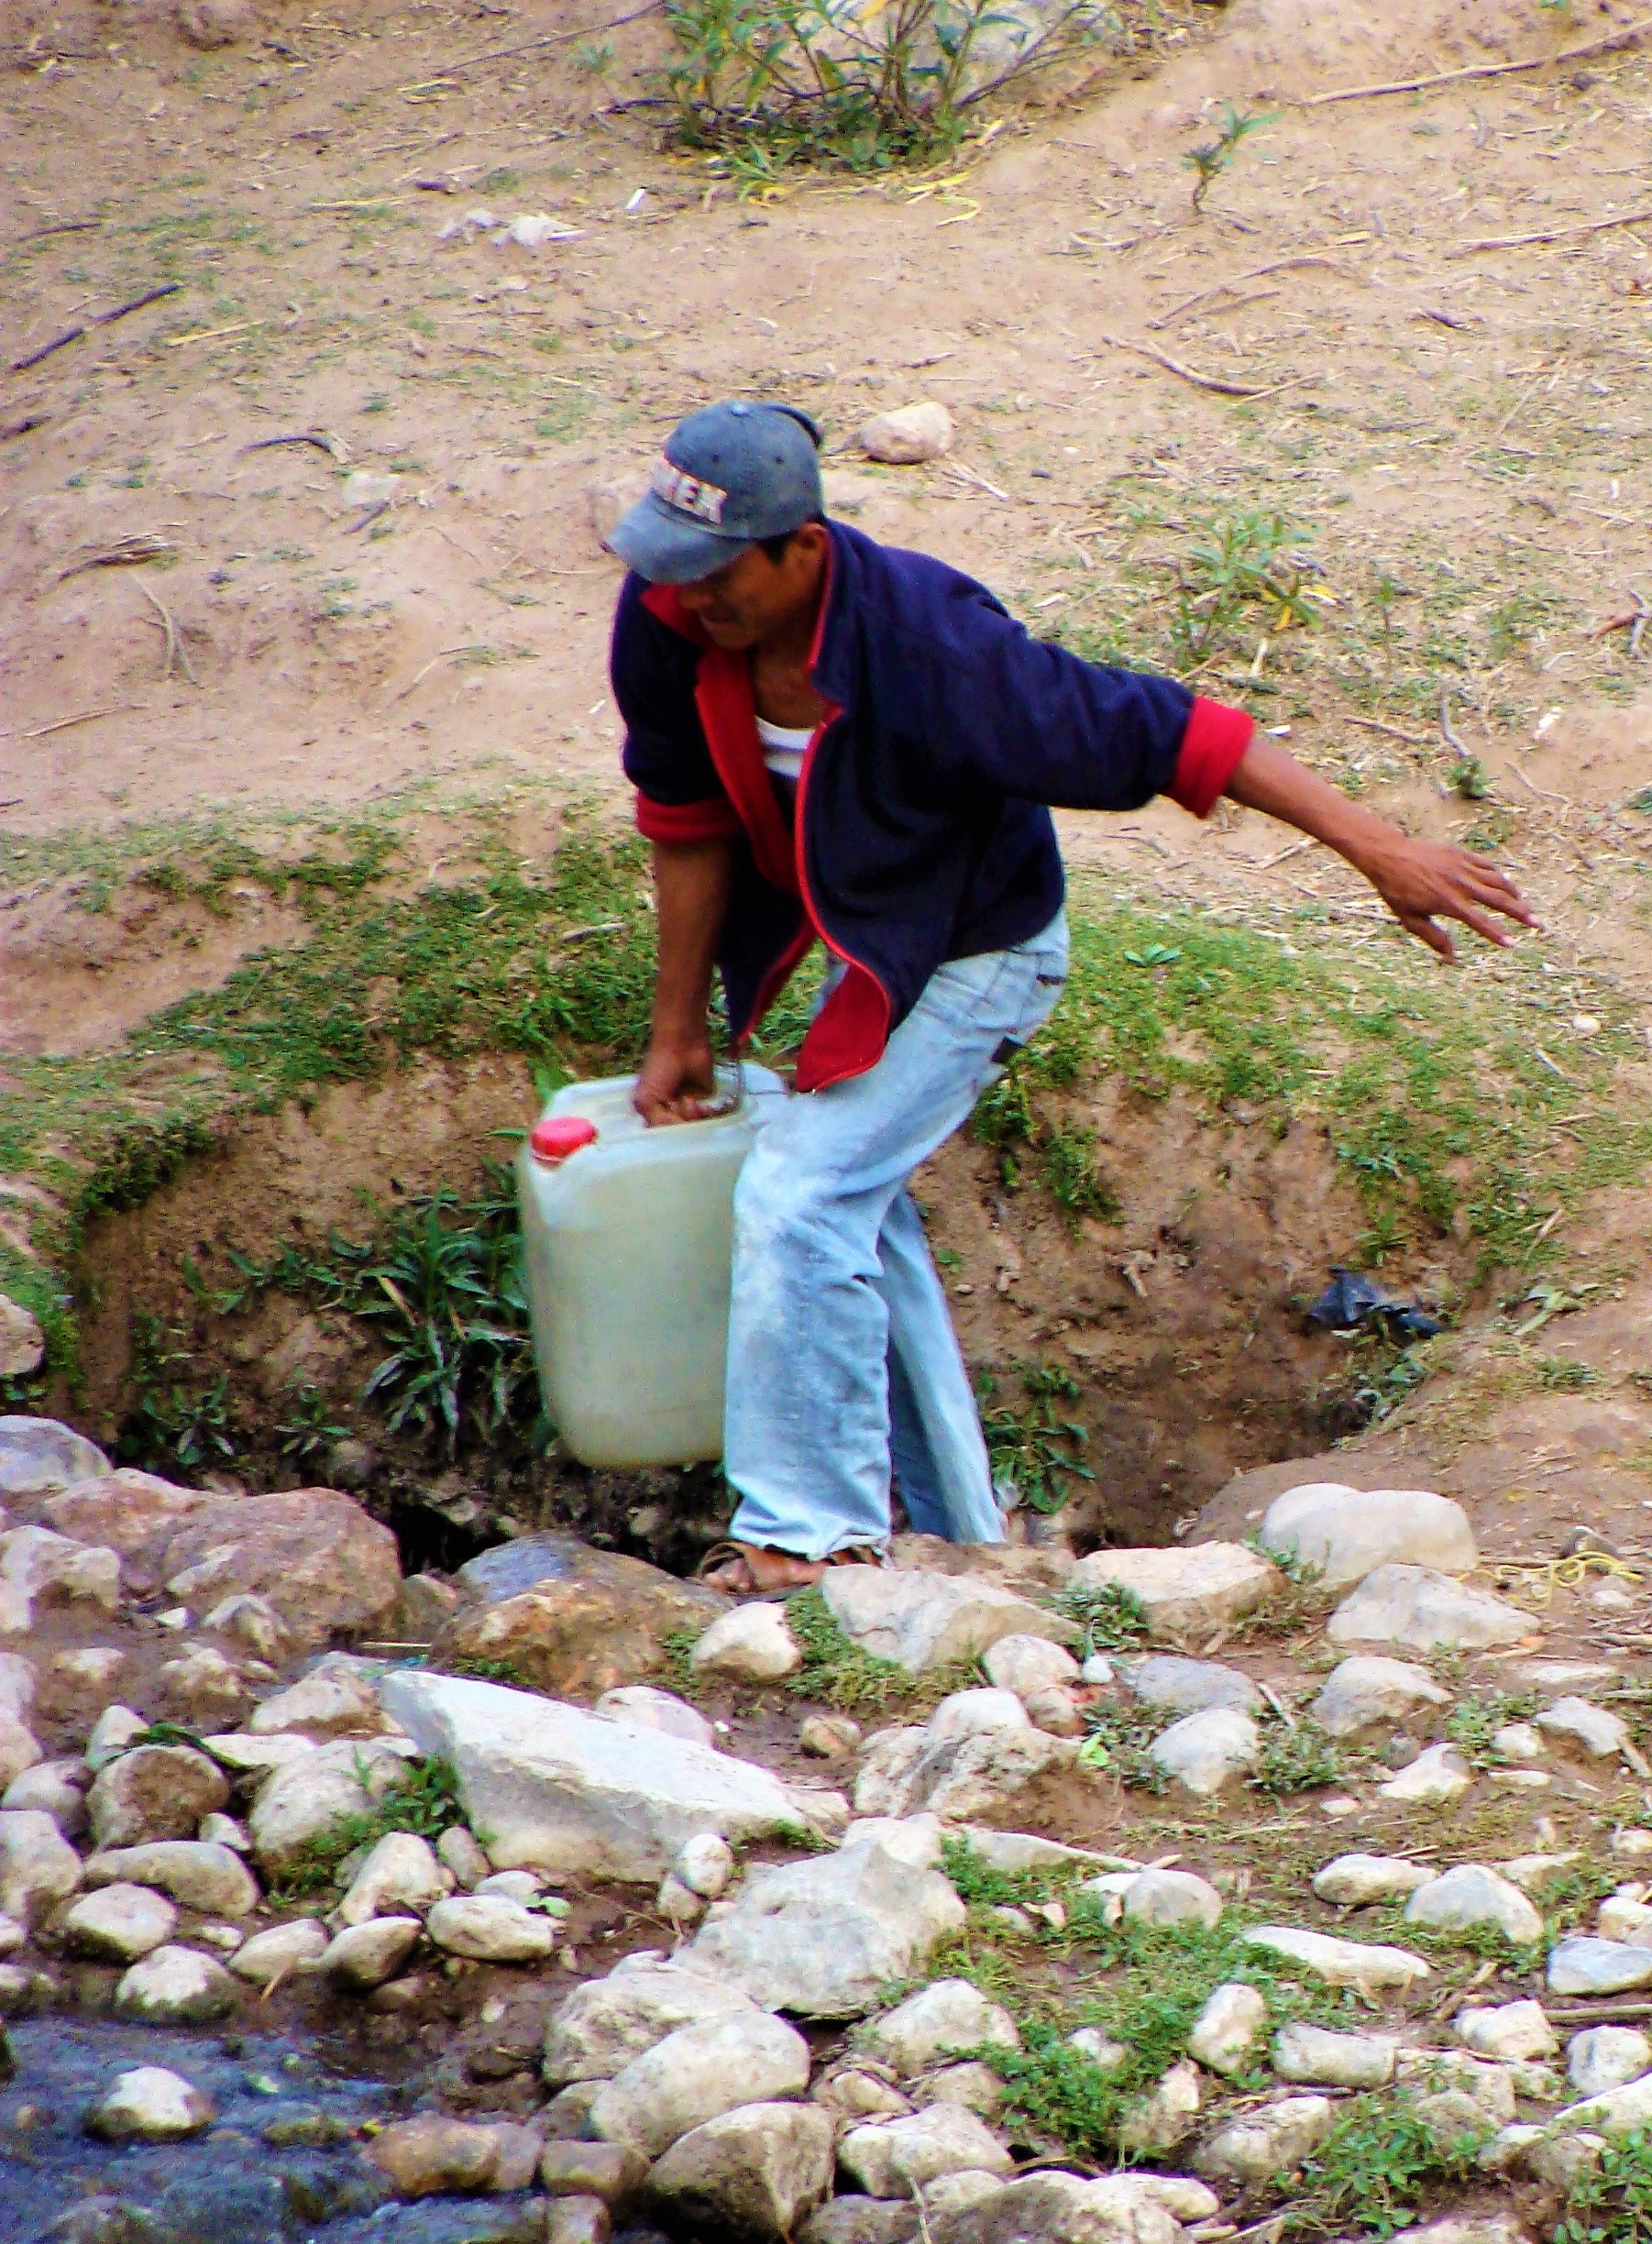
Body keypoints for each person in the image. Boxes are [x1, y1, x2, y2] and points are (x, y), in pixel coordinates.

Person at [605, 400, 1535, 1595]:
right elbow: (682, 820)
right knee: (847, 1204)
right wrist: (677, 1027)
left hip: (983, 952)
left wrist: (1381, 851)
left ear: (804, 546)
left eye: (716, 571)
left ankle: (804, 1545)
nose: (690, 597)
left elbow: (1170, 733)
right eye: (670, 568)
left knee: (798, 1193)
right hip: (875, 944)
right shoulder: (670, 620)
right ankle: (958, 1530)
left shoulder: (938, 650)